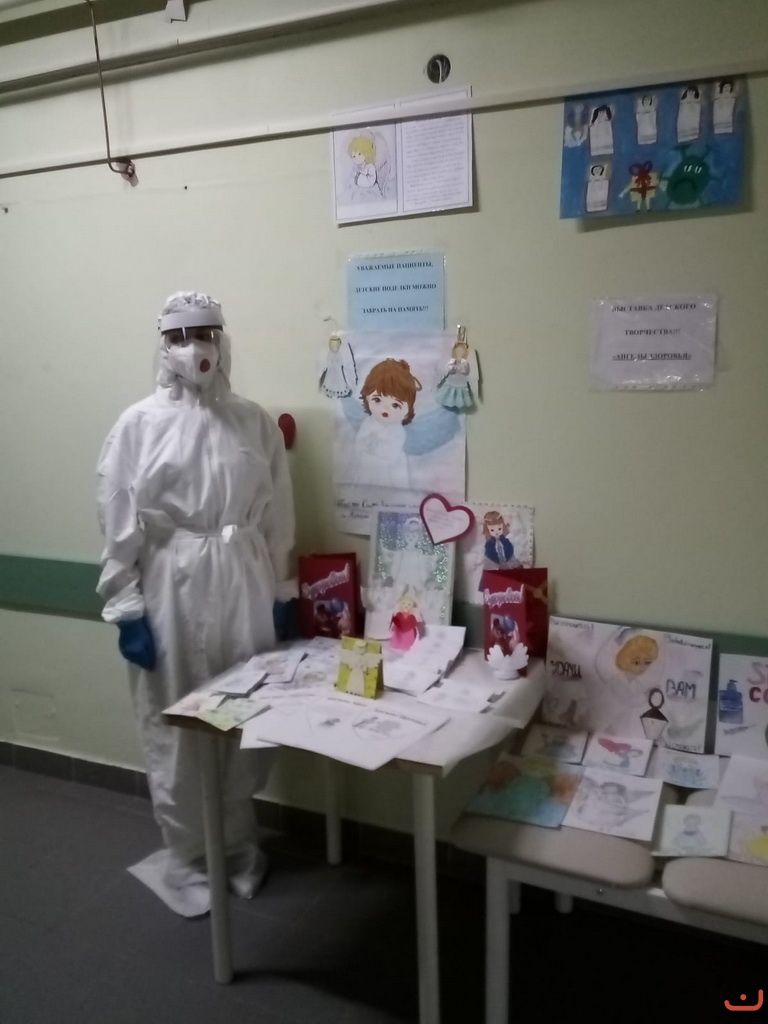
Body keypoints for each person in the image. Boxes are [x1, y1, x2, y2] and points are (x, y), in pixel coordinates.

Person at [96, 290, 296, 918]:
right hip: (171, 584)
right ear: (162, 345)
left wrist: (282, 589)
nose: (194, 349)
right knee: (177, 724)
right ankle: (186, 857)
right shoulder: (138, 425)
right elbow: (116, 517)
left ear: (222, 340)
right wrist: (126, 605)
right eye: (180, 337)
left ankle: (236, 849)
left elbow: (279, 512)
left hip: (244, 580)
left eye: (205, 334)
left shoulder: (253, 422)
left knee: (241, 718)